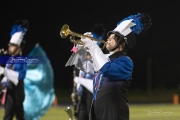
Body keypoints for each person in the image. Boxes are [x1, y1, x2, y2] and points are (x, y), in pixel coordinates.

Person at [74, 13, 152, 120]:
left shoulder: (125, 61)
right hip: (98, 110)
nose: (108, 40)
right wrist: (81, 48)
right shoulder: (105, 58)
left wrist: (92, 46)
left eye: (112, 38)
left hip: (114, 111)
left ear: (122, 43)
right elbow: (83, 66)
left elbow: (106, 68)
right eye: (108, 37)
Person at [70, 23, 106, 120]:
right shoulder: (81, 60)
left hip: (93, 95)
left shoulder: (99, 58)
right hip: (82, 96)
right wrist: (75, 92)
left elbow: (95, 82)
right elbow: (78, 75)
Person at [0, 19, 29, 120]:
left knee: (20, 117)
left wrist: (4, 71)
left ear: (19, 48)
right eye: (9, 45)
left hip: (17, 94)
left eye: (12, 46)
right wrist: (3, 83)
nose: (9, 47)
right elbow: (7, 78)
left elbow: (20, 76)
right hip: (9, 93)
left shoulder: (22, 60)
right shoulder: (10, 60)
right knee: (7, 117)